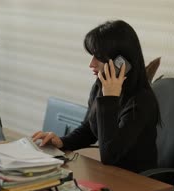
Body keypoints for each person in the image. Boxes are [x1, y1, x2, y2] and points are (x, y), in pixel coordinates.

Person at [32, 20, 161, 173]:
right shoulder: (101, 85)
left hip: (138, 183)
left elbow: (110, 155)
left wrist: (110, 98)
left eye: (98, 56)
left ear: (121, 62)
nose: (91, 64)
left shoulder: (141, 101)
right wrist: (62, 142)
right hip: (111, 174)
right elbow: (90, 128)